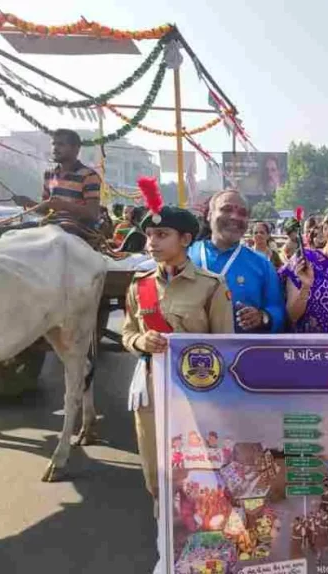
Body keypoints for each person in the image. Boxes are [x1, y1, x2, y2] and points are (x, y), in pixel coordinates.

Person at [121, 178, 234, 574]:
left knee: (197, 475)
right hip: (152, 391)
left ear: (185, 239)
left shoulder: (210, 287)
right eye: (149, 234)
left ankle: (204, 553)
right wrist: (140, 341)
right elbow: (127, 333)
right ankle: (166, 552)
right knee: (157, 476)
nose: (152, 242)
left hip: (196, 398)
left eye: (162, 234)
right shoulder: (139, 286)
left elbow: (226, 346)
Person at [188, 190, 285, 333]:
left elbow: (278, 310)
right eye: (226, 209)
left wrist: (262, 317)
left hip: (242, 353)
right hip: (190, 352)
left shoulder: (262, 264)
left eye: (242, 213)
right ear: (209, 215)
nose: (234, 217)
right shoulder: (186, 255)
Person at [10, 129, 101, 234]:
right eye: (54, 144)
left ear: (76, 149)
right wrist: (29, 203)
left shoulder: (88, 176)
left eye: (61, 144)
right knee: (5, 231)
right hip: (52, 226)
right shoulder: (49, 174)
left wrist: (63, 205)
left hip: (76, 230)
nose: (55, 148)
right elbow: (46, 209)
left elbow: (93, 214)